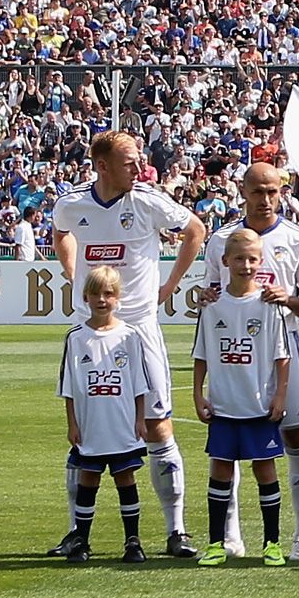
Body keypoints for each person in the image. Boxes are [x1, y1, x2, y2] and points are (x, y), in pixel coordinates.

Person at [50, 131, 208, 558]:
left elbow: (195, 229)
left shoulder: (148, 202)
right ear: (102, 166)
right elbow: (60, 231)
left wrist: (169, 286)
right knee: (84, 430)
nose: (139, 168)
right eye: (129, 162)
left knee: (156, 424)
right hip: (89, 329)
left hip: (138, 327)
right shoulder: (73, 203)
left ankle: (176, 531)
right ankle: (75, 532)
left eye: (138, 160)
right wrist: (71, 272)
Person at [201, 162, 299, 560]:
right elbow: (209, 297)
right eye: (258, 191)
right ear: (243, 191)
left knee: (294, 435)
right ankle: (231, 534)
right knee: (228, 444)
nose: (266, 199)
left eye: (273, 191)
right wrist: (202, 298)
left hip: (281, 349)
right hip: (233, 358)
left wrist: (285, 299)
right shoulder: (222, 240)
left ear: (282, 192)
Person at [191, 229, 291, 567]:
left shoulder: (268, 304)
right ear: (224, 262)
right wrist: (197, 393)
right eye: (238, 259)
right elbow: (201, 354)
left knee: (265, 471)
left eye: (251, 259)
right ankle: (217, 543)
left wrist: (280, 394)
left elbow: (282, 355)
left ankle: (272, 543)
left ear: (260, 262)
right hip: (223, 404)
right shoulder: (212, 304)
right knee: (220, 470)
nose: (245, 265)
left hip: (258, 404)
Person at [55, 266, 153, 564]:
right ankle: (82, 540)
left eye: (108, 293)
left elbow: (139, 382)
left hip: (121, 423)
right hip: (90, 424)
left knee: (125, 478)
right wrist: (72, 423)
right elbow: (69, 386)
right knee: (89, 479)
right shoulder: (75, 338)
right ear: (85, 297)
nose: (102, 299)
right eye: (96, 293)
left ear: (118, 297)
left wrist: (140, 418)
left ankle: (132, 541)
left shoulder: (130, 336)